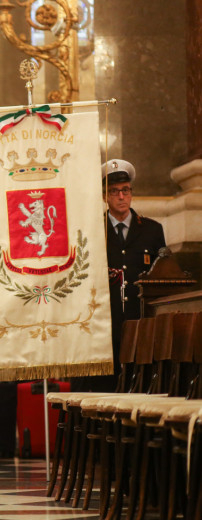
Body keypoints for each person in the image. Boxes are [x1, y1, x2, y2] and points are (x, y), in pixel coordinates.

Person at [98, 158, 165, 390]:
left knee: (140, 389)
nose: (121, 196)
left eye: (125, 190)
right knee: (107, 391)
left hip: (142, 325)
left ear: (131, 194)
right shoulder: (95, 230)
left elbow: (162, 277)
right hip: (106, 326)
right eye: (114, 191)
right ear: (105, 196)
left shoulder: (152, 230)